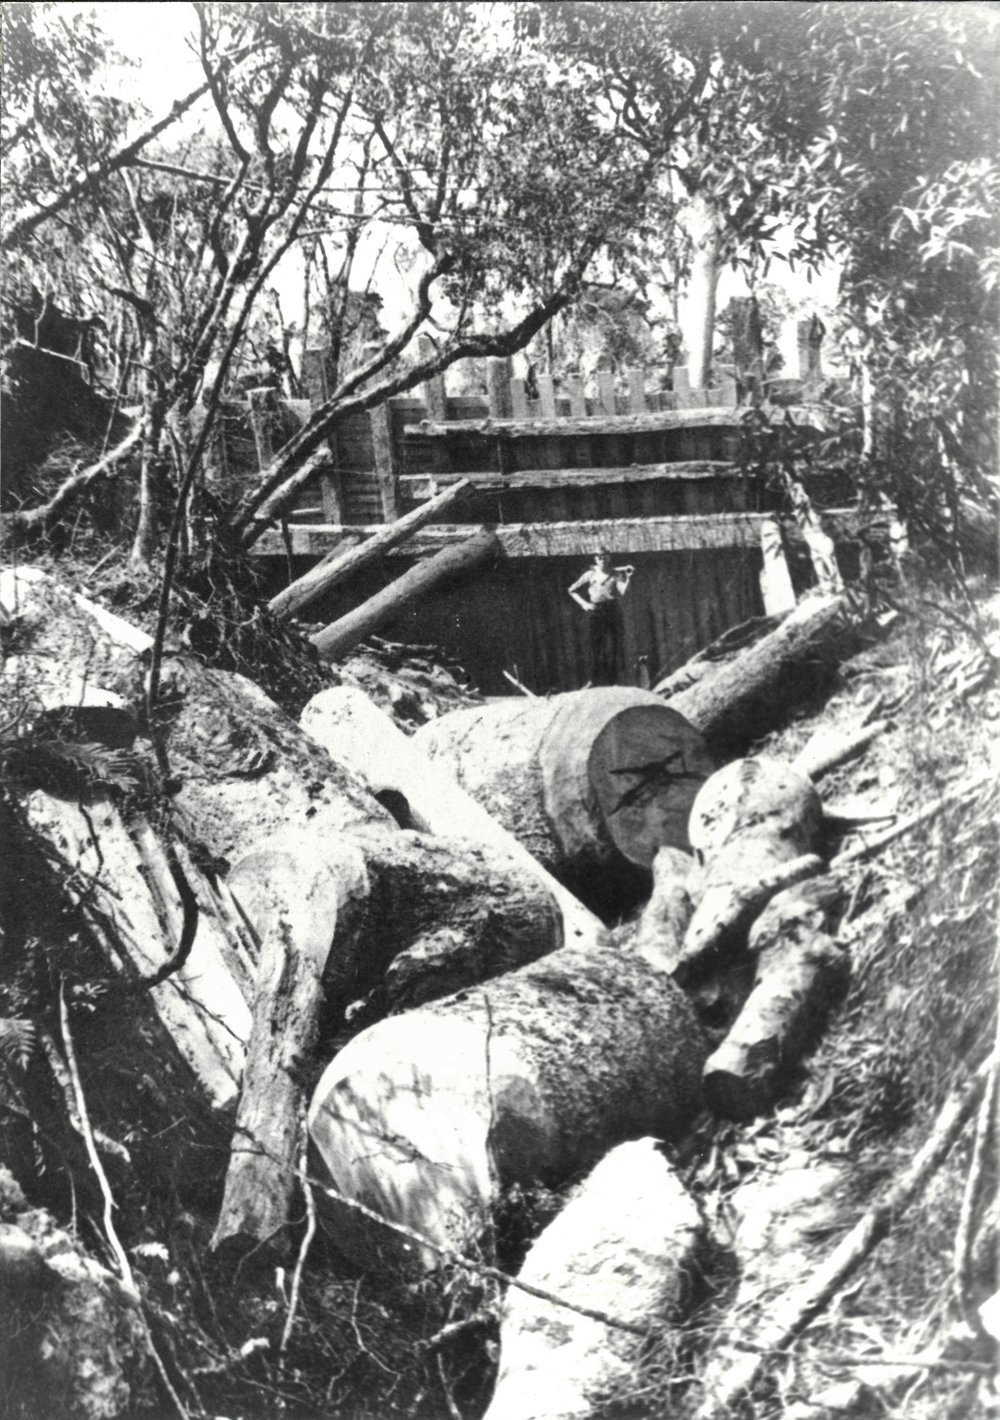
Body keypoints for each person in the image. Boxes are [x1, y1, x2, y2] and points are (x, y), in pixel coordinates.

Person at [568, 550, 634, 686]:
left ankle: (614, 681)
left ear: (609, 558)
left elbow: (622, 591)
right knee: (594, 646)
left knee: (614, 645)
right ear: (595, 559)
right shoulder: (590, 574)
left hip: (612, 610)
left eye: (604, 557)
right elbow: (571, 590)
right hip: (595, 611)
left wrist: (628, 578)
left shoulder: (616, 574)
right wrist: (585, 604)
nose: (602, 560)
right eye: (599, 557)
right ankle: (593, 680)